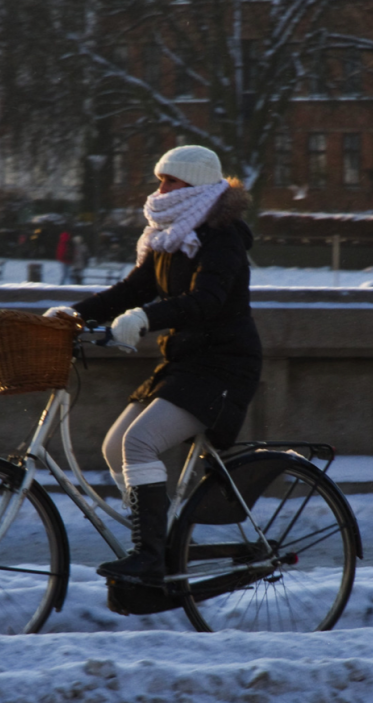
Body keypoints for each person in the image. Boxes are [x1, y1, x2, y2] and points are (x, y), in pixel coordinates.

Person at [44, 145, 262, 588]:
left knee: (140, 442)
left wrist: (147, 319)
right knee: (114, 447)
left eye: (171, 181)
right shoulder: (170, 237)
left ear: (197, 187)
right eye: (159, 179)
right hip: (185, 362)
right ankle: (160, 542)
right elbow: (132, 289)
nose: (160, 189)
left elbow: (207, 301)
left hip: (223, 367)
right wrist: (74, 314)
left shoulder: (223, 237)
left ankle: (150, 557)